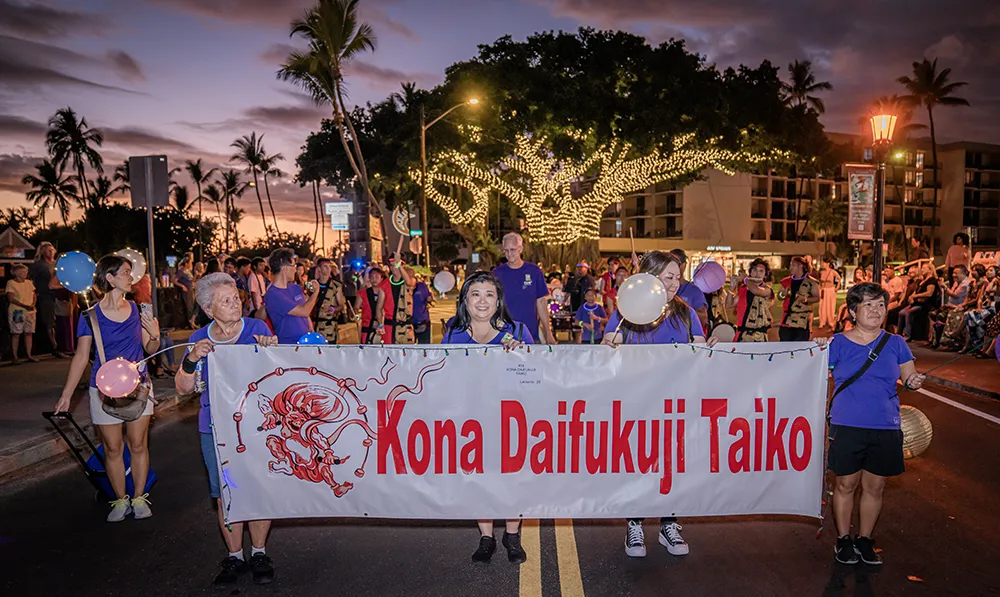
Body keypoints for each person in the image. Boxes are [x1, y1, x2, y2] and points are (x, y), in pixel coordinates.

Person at [603, 251, 717, 559]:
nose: (674, 283)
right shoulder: (625, 311)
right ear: (649, 277)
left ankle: (669, 522)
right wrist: (610, 345)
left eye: (677, 277)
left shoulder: (686, 312)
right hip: (637, 402)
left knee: (672, 463)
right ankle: (635, 522)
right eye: (668, 277)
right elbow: (606, 350)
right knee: (639, 461)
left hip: (676, 402)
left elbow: (699, 351)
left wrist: (710, 349)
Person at [174, 273, 278, 586]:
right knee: (225, 493)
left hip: (256, 426)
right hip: (215, 427)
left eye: (236, 298)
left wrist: (272, 349)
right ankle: (235, 557)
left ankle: (258, 552)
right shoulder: (200, 338)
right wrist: (192, 358)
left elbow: (281, 375)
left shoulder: (257, 329)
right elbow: (183, 387)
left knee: (258, 488)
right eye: (226, 301)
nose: (235, 304)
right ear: (209, 309)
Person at [824, 282, 925, 565]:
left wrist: (914, 382)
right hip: (847, 423)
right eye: (868, 304)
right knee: (845, 484)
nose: (876, 310)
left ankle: (865, 539)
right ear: (854, 311)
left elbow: (909, 377)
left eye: (881, 305)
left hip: (885, 424)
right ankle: (844, 540)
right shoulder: (838, 343)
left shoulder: (896, 343)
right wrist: (818, 351)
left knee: (875, 486)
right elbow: (814, 373)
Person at [54, 255, 161, 522]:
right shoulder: (90, 316)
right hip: (102, 391)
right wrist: (66, 395)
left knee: (138, 444)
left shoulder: (140, 310)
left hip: (139, 387)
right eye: (125, 272)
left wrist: (155, 334)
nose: (131, 277)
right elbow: (81, 357)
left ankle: (138, 497)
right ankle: (120, 500)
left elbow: (150, 350)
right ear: (110, 277)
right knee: (112, 448)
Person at [441, 271, 532, 564]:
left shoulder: (517, 332)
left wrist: (523, 355)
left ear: (498, 301)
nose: (482, 301)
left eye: (489, 294)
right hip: (469, 420)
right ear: (465, 300)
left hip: (510, 420)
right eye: (475, 294)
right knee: (477, 477)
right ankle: (486, 536)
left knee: (512, 478)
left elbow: (540, 374)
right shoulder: (453, 335)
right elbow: (438, 376)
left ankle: (513, 535)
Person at [492, 232, 555, 343]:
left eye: (512, 249)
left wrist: (548, 333)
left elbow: (541, 302)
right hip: (505, 335)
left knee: (530, 359)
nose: (509, 254)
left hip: (530, 334)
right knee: (507, 358)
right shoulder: (497, 274)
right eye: (506, 250)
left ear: (520, 249)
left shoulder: (534, 271)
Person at [264, 248, 319, 344]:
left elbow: (306, 314)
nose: (295, 270)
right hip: (289, 346)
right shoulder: (273, 295)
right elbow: (304, 311)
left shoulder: (295, 288)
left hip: (306, 342)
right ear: (284, 267)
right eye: (294, 266)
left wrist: (311, 332)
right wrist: (315, 293)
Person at [28, 241, 63, 357]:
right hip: (44, 295)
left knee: (55, 322)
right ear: (43, 252)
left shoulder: (54, 265)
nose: (51, 252)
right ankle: (54, 347)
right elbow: (29, 278)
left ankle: (58, 346)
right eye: (48, 250)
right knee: (49, 322)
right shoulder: (39, 265)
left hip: (55, 296)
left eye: (52, 250)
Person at [728, 258, 773, 342]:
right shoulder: (743, 289)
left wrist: (745, 279)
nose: (757, 274)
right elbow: (729, 305)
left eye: (761, 271)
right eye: (754, 270)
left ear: (765, 275)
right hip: (741, 335)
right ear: (750, 272)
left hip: (758, 337)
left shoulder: (767, 289)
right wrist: (732, 287)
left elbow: (756, 291)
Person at [778, 256, 820, 341]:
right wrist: (783, 294)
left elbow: (817, 298)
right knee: (785, 348)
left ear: (800, 266)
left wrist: (806, 299)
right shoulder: (786, 281)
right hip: (787, 321)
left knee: (800, 349)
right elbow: (779, 297)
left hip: (802, 321)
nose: (790, 268)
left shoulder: (811, 282)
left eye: (793, 265)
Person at [897, 262, 940, 341]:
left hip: (925, 304)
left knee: (908, 313)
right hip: (917, 302)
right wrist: (911, 297)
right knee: (901, 312)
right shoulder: (922, 281)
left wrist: (915, 296)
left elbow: (929, 293)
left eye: (924, 268)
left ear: (930, 270)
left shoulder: (932, 281)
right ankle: (898, 334)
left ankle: (908, 335)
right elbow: (916, 291)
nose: (922, 270)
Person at [669, 249, 709, 331]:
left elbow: (703, 319)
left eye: (676, 263)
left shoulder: (694, 291)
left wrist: (682, 306)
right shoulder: (662, 288)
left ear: (684, 265)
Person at [963, 265, 999, 354]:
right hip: (987, 307)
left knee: (979, 319)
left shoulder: (997, 283)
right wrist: (979, 307)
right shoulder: (987, 283)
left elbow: (993, 292)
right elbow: (982, 296)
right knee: (969, 316)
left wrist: (995, 281)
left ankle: (982, 347)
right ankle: (976, 345)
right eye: (988, 270)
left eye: (991, 270)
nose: (988, 272)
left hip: (994, 308)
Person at [6, 263, 38, 363]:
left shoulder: (29, 282)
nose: (25, 274)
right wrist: (25, 306)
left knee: (29, 332)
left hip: (30, 311)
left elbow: (34, 295)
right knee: (16, 333)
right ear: (17, 273)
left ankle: (29, 354)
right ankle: (15, 356)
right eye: (23, 272)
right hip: (18, 311)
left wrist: (32, 304)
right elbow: (11, 298)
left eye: (26, 272)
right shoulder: (11, 283)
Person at [310, 257, 345, 344]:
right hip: (315, 324)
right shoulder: (312, 285)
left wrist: (333, 309)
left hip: (329, 327)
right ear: (319, 269)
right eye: (325, 266)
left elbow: (341, 305)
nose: (328, 269)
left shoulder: (336, 286)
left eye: (329, 266)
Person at [355, 267, 387, 344]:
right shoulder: (362, 293)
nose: (374, 279)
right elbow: (356, 308)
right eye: (371, 277)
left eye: (376, 277)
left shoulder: (387, 293)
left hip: (383, 328)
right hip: (367, 327)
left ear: (381, 278)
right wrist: (357, 316)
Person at [411, 273, 434, 344]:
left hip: (422, 320)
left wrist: (429, 298)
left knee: (424, 346)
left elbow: (429, 298)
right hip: (408, 322)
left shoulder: (422, 286)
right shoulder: (402, 287)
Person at [818, 260, 842, 329]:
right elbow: (820, 281)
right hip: (823, 290)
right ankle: (822, 322)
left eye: (824, 263)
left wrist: (837, 287)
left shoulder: (832, 271)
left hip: (830, 290)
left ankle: (831, 321)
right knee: (822, 306)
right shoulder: (821, 272)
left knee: (830, 306)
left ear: (828, 263)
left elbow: (839, 278)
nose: (822, 264)